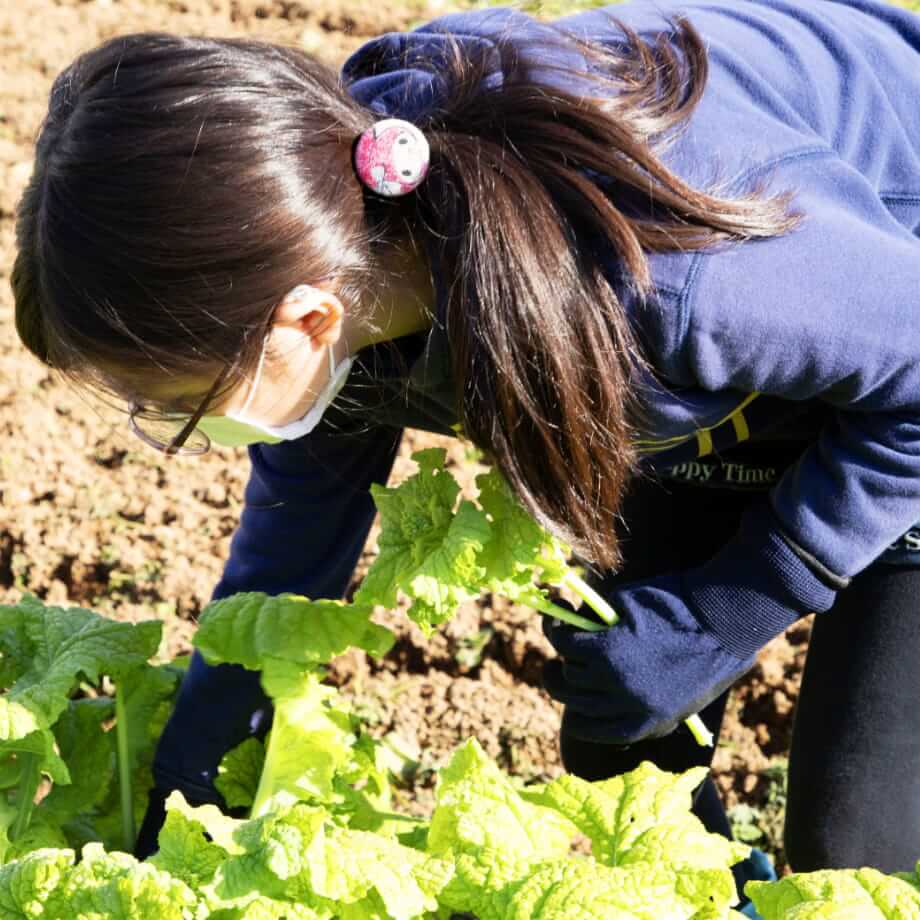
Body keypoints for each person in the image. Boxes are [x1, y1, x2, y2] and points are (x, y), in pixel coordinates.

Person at [11, 0, 920, 911]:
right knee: (619, 736)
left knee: (857, 847)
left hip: (890, 333)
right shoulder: (337, 250)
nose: (174, 429)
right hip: (735, 380)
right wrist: (184, 797)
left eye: (175, 406)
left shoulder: (669, 281)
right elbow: (288, 565)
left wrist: (723, 613)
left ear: (306, 321)